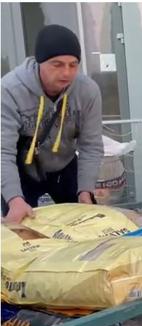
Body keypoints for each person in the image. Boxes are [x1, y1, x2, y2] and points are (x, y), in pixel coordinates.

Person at [1, 24, 103, 224]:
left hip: (64, 165)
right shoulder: (8, 90)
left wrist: (86, 190)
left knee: (84, 223)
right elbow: (2, 151)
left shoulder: (88, 91)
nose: (66, 73)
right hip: (21, 169)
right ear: (40, 62)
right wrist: (14, 198)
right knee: (19, 229)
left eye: (73, 65)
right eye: (57, 64)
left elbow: (91, 145)